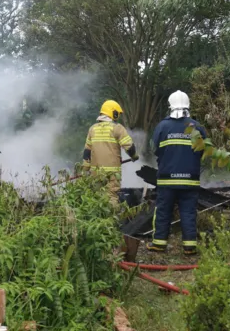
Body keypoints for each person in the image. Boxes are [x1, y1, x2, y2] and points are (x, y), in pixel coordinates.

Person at [147, 90, 207, 255]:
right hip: (190, 180)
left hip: (167, 181)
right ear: (188, 105)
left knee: (163, 211)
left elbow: (154, 149)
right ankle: (189, 247)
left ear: (170, 106)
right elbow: (204, 151)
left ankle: (159, 244)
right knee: (188, 212)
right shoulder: (197, 127)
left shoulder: (162, 126)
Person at [82, 100, 140, 208]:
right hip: (112, 174)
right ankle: (111, 223)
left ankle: (98, 220)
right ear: (113, 113)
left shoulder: (92, 129)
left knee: (97, 197)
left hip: (96, 173)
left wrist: (85, 170)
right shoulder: (117, 128)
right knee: (112, 197)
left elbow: (87, 152)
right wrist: (134, 156)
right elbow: (129, 147)